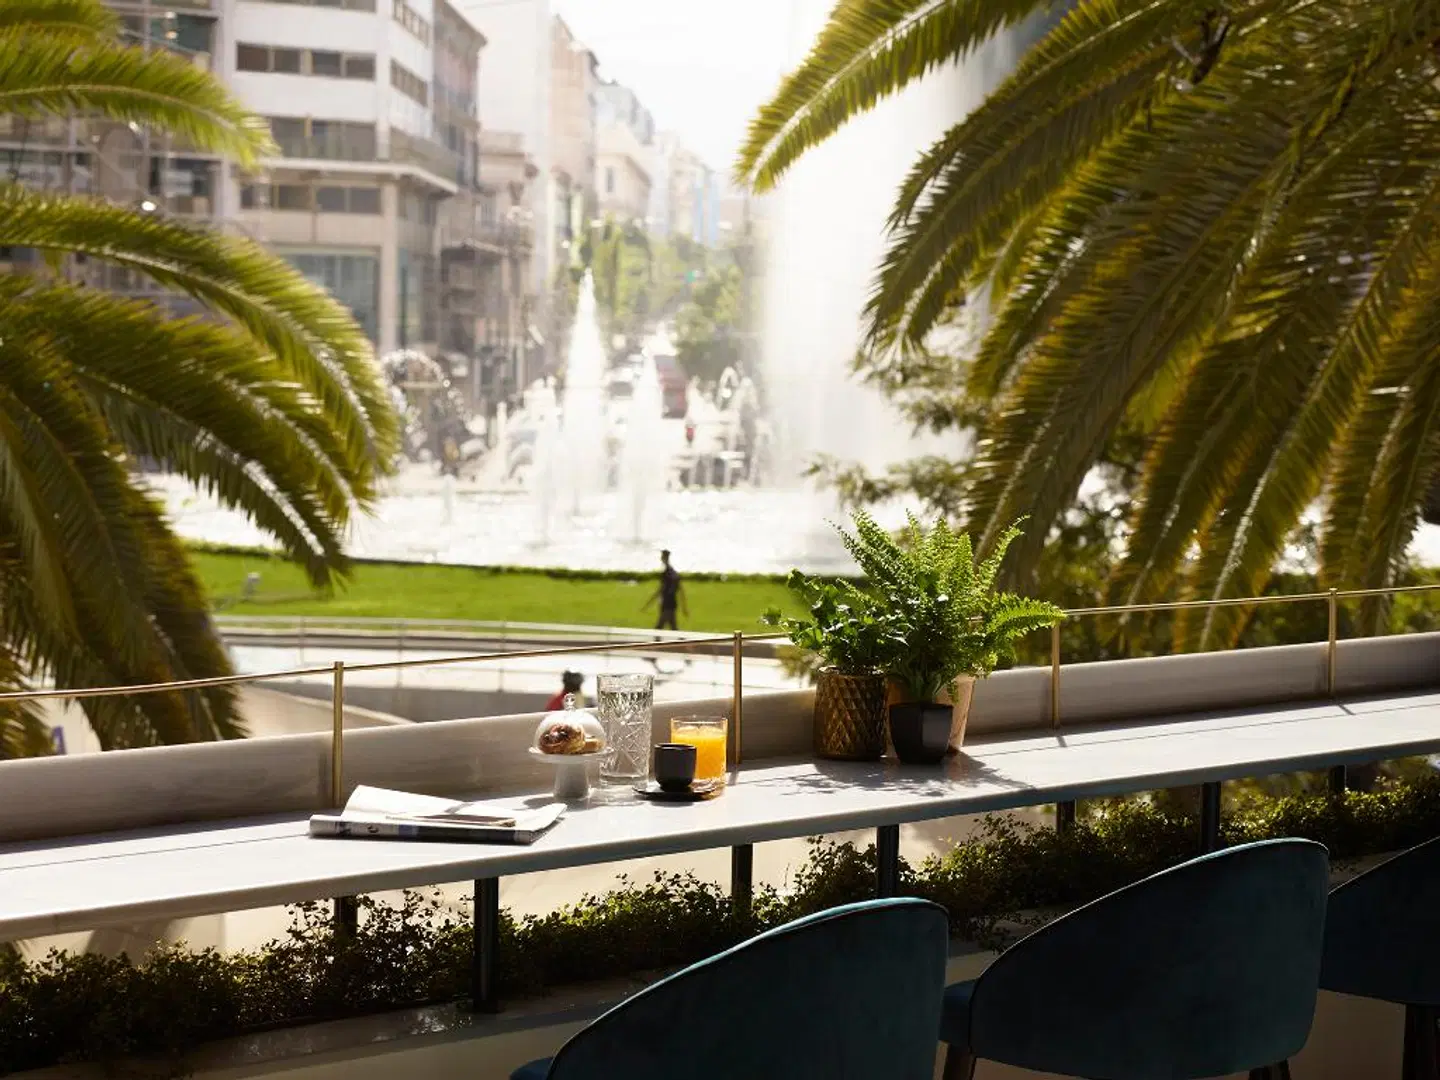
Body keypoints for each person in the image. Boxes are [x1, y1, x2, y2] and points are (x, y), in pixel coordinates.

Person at [643, 549, 688, 631]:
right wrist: (684, 607)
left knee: (659, 628)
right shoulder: (674, 573)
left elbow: (660, 590)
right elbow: (681, 590)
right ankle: (681, 641)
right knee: (673, 627)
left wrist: (648, 604)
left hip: (666, 604)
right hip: (672, 604)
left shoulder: (666, 573)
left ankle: (657, 643)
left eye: (662, 556)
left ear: (664, 558)